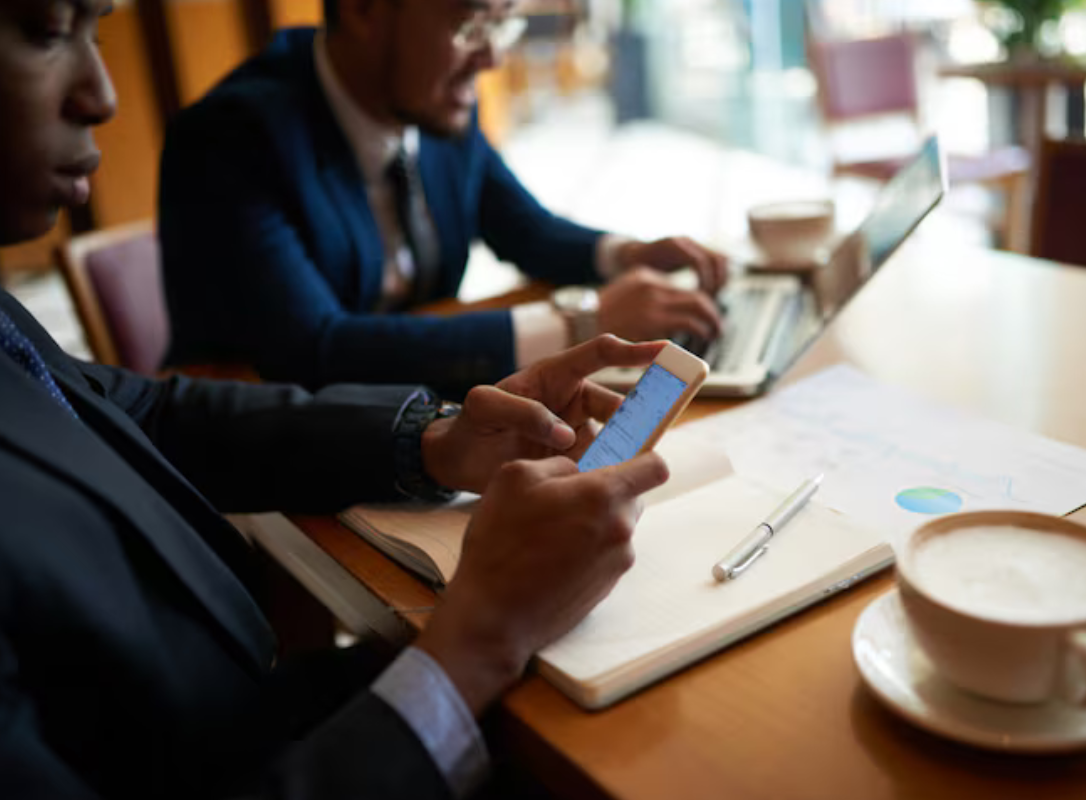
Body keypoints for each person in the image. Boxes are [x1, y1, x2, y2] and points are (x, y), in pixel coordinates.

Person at [0, 1, 670, 795]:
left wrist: (433, 440)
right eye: (46, 30)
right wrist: (482, 637)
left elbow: (131, 408)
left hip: (238, 696)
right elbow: (310, 346)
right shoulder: (237, 132)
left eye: (98, 31)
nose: (105, 95)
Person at [157, 0, 729, 397]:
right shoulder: (232, 139)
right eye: (469, 23)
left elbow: (524, 230)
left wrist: (626, 255)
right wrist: (582, 323)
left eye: (502, 25)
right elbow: (315, 350)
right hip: (264, 468)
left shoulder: (431, 97)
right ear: (363, 10)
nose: (491, 59)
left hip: (414, 410)